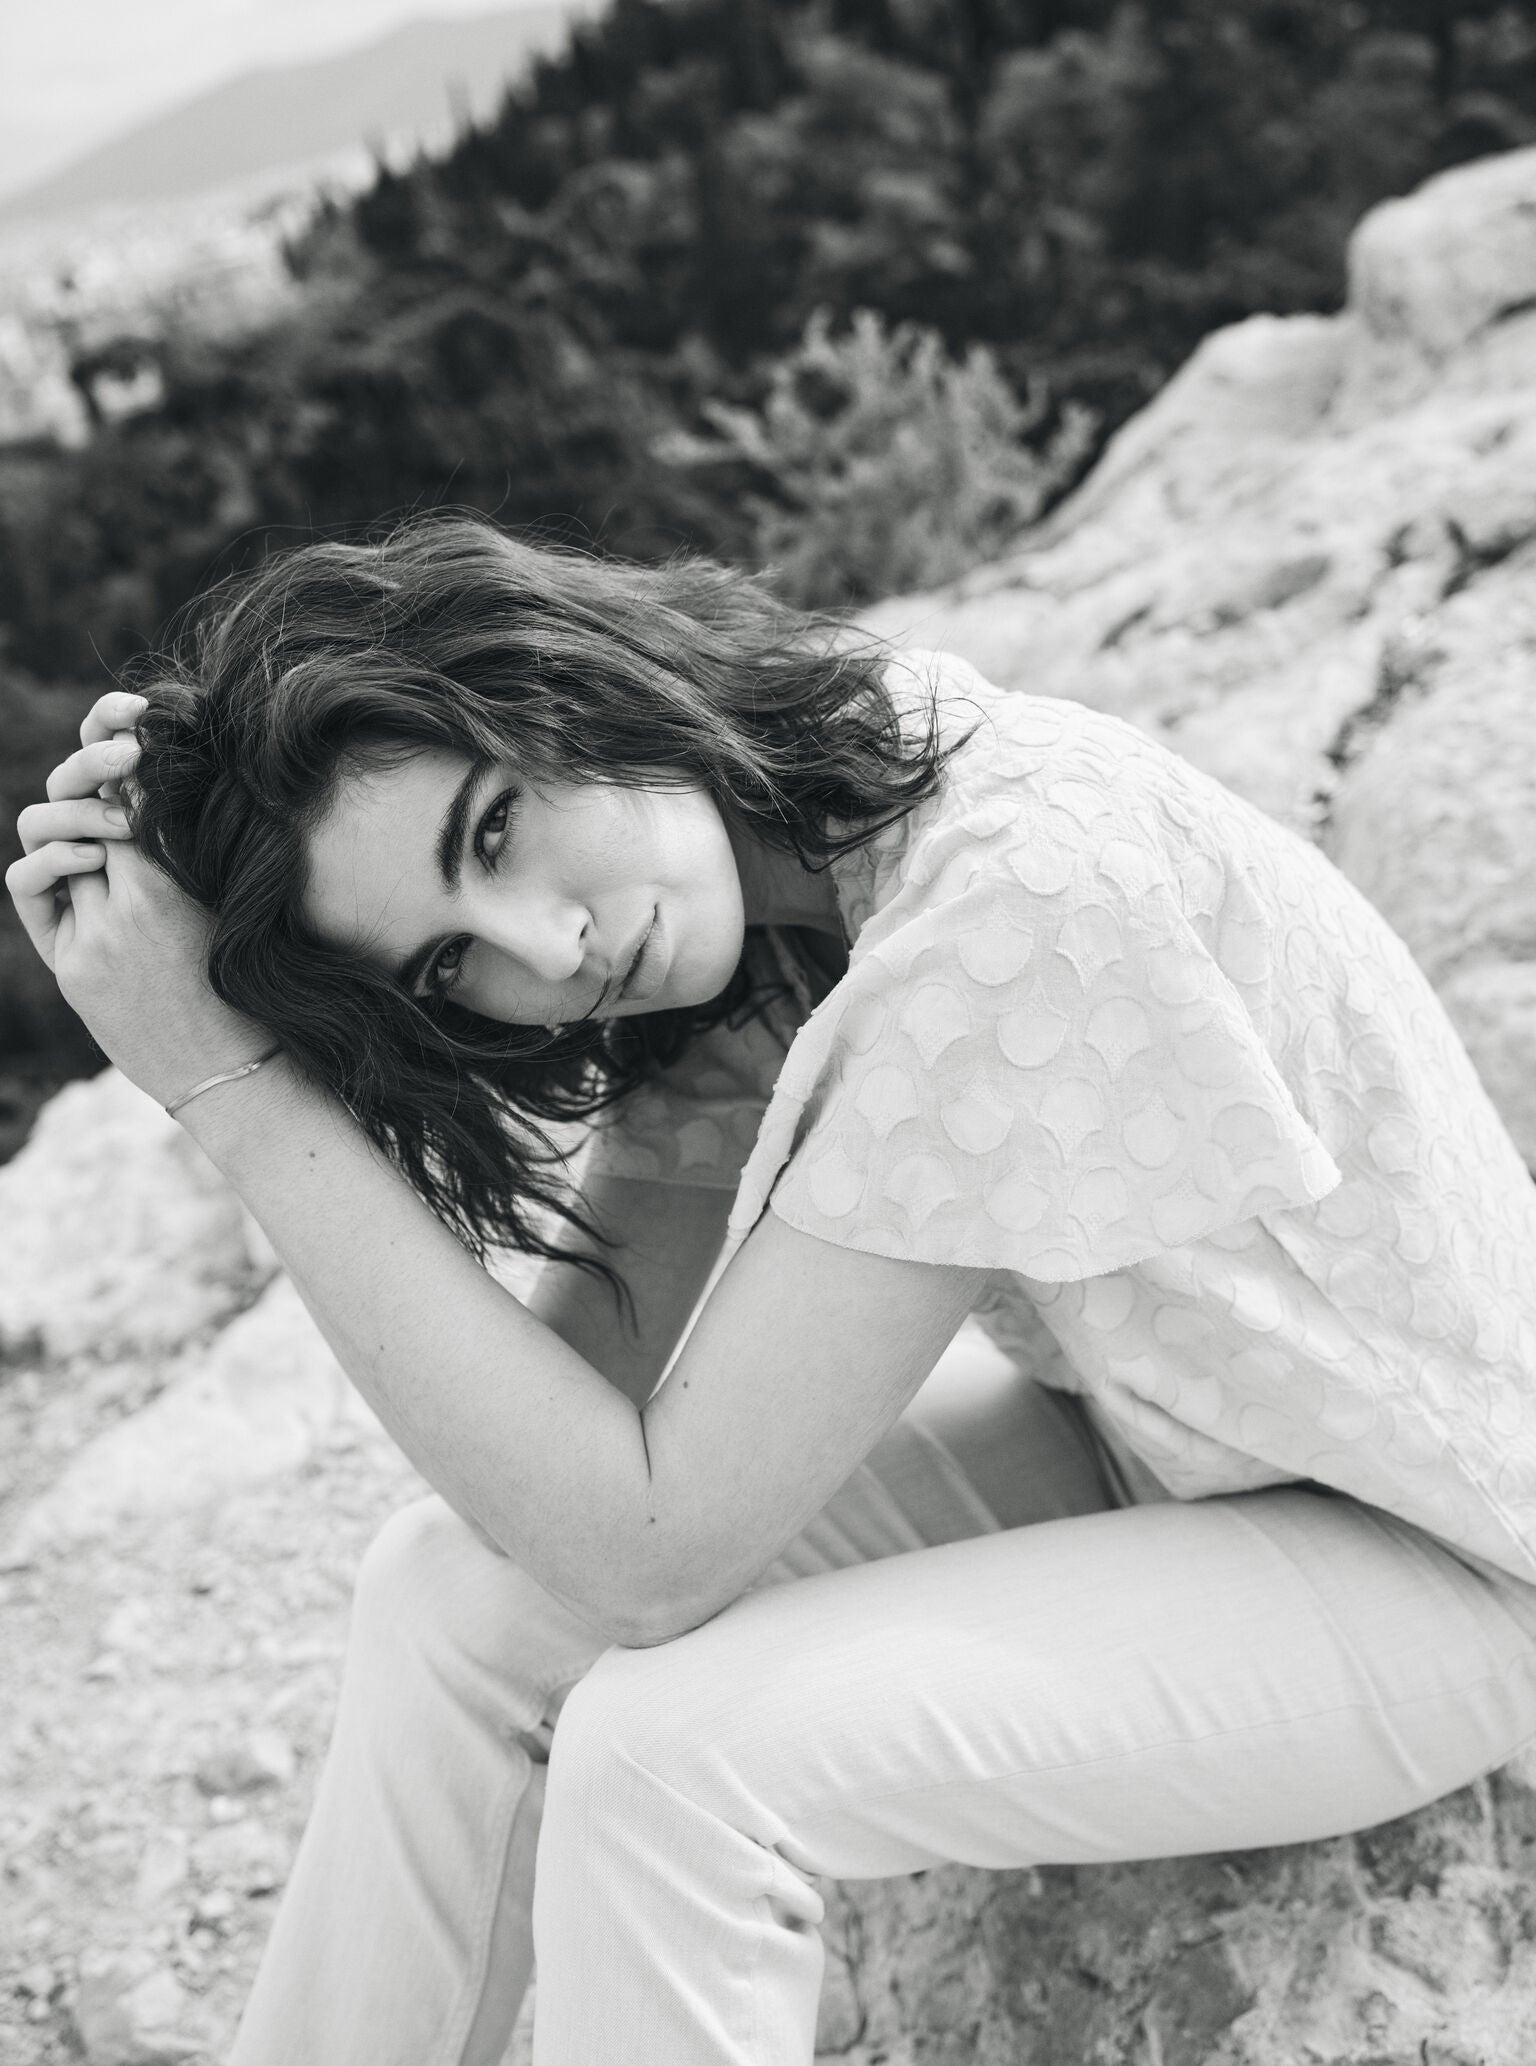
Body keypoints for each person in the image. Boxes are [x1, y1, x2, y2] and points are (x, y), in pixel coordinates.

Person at [10, 514, 1536, 2066]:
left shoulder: (1011, 902)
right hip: (1160, 1440)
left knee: (669, 1768)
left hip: (1440, 1549)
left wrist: (232, 1093)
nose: (548, 949)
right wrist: (195, 845)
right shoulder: (777, 844)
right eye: (451, 968)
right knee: (450, 1596)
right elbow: (569, 1456)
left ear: (560, 681)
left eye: (494, 828)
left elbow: (649, 1551)